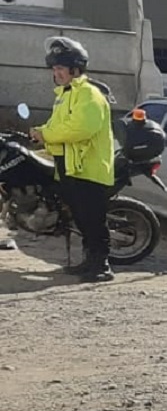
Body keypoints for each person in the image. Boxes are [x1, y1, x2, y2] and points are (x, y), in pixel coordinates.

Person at [31, 37, 115, 282]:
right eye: (54, 69)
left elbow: (80, 128)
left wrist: (45, 134)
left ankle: (102, 266)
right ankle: (89, 262)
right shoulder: (65, 95)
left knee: (93, 220)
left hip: (89, 169)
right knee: (82, 219)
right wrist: (40, 132)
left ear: (75, 69)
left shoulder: (89, 94)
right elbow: (58, 125)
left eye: (60, 68)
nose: (56, 73)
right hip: (71, 168)